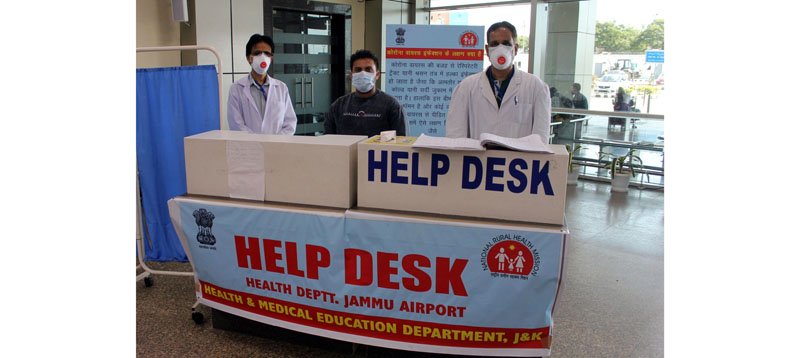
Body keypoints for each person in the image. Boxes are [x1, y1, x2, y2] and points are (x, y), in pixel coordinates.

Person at [445, 21, 551, 143]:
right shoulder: (466, 87)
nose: (500, 49)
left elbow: (541, 140)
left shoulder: (536, 87)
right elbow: (455, 136)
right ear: (487, 49)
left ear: (515, 49)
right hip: (478, 160)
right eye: (495, 44)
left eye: (506, 43)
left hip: (517, 161)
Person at [324, 50, 406, 136]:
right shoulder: (338, 106)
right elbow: (328, 140)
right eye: (358, 70)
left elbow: (402, 141)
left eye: (368, 69)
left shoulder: (392, 105)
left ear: (377, 74)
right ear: (352, 75)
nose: (363, 73)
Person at [227, 34, 297, 134]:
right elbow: (236, 124)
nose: (263, 57)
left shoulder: (281, 88)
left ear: (271, 58)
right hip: (249, 147)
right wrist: (259, 144)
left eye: (267, 53)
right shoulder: (236, 88)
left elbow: (290, 122)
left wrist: (274, 143)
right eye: (257, 53)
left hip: (277, 147)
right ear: (249, 58)